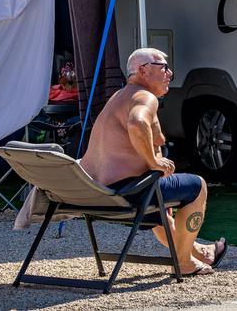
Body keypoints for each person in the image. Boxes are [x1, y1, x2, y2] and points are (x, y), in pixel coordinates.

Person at [80, 48, 227, 276]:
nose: (170, 72)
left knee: (161, 203)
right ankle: (184, 263)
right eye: (163, 67)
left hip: (95, 194)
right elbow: (137, 123)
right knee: (198, 186)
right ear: (142, 70)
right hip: (124, 192)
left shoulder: (119, 97)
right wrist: (154, 161)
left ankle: (198, 252)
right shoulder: (143, 97)